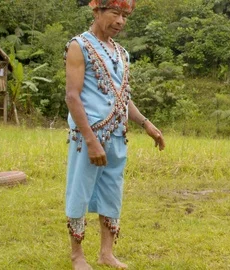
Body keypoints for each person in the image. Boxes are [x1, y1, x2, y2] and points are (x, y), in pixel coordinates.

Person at [64, 1, 165, 269]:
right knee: (80, 193)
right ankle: (77, 256)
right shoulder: (79, 46)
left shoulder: (121, 53)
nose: (120, 21)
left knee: (112, 192)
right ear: (96, 11)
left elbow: (123, 97)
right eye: (115, 13)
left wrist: (146, 124)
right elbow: (72, 97)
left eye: (125, 16)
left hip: (118, 136)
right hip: (88, 138)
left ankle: (106, 254)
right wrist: (90, 139)